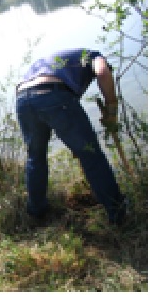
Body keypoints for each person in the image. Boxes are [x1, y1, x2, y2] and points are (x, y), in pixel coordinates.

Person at [15, 48, 127, 226]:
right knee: (91, 156)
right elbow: (102, 72)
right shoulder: (94, 55)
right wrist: (111, 107)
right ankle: (118, 213)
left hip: (22, 99)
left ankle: (37, 212)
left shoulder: (58, 62)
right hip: (52, 93)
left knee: (35, 157)